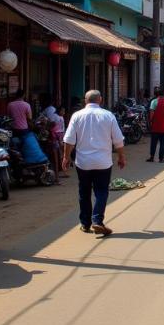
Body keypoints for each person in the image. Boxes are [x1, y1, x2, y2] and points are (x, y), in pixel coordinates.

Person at [62, 90, 126, 236]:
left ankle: (85, 224)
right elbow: (118, 140)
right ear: (100, 100)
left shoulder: (76, 116)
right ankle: (97, 220)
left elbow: (69, 140)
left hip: (83, 163)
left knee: (84, 192)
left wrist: (66, 157)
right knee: (101, 191)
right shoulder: (108, 115)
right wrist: (121, 157)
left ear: (86, 101)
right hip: (103, 162)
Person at [147, 87, 164, 163]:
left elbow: (151, 114)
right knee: (163, 143)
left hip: (155, 125)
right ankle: (161, 159)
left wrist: (150, 122)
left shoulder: (154, 102)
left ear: (156, 94)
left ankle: (152, 157)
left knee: (153, 142)